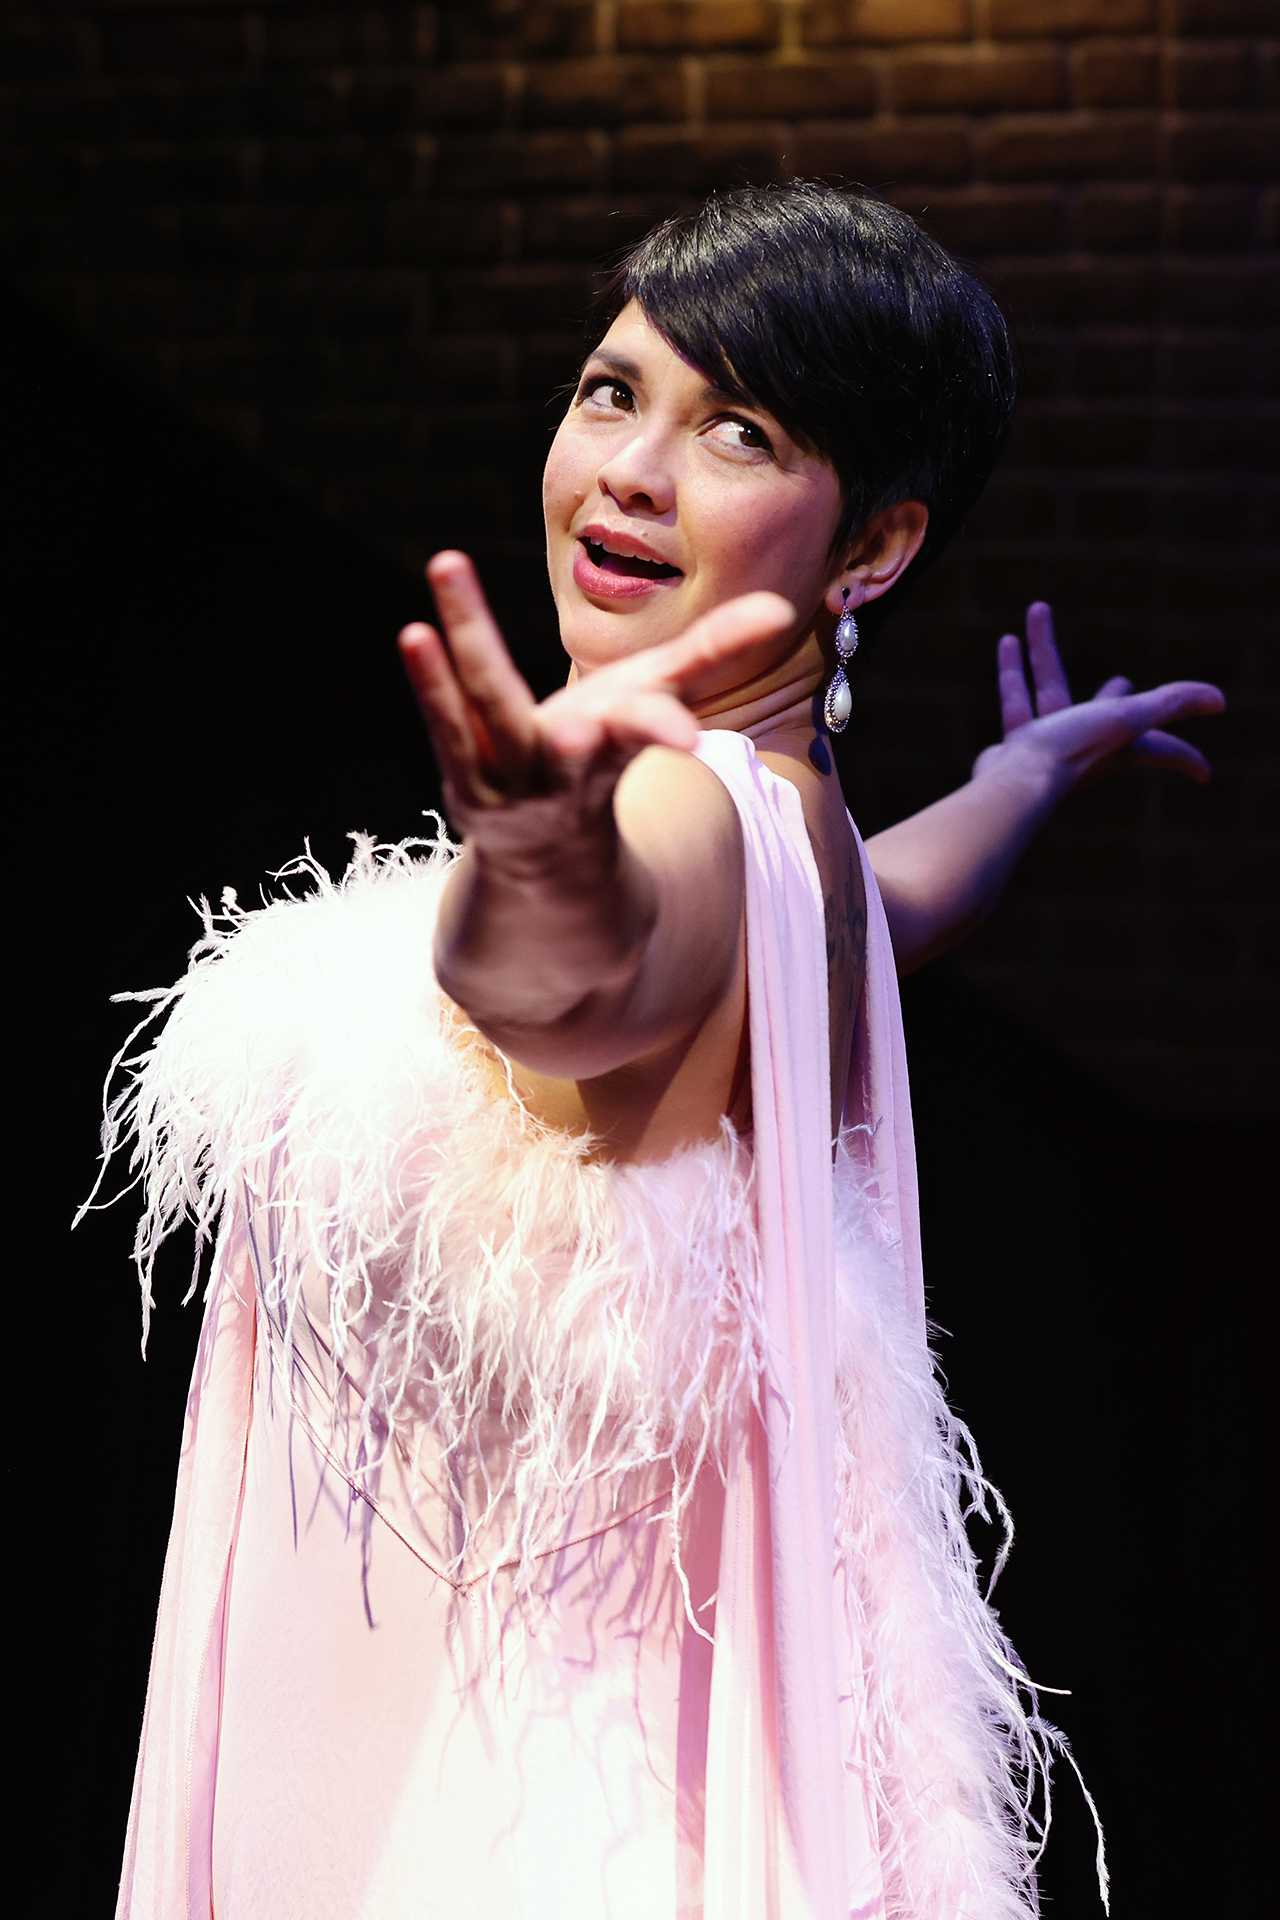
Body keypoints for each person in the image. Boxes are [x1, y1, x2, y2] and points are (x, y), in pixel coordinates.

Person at [101, 184, 1222, 1920]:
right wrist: (1017, 785)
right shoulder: (798, 829)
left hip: (498, 1822)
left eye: (738, 430)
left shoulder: (687, 815)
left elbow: (574, 988)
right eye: (613, 391)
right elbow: (891, 904)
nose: (630, 468)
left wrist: (531, 875)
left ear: (873, 548)